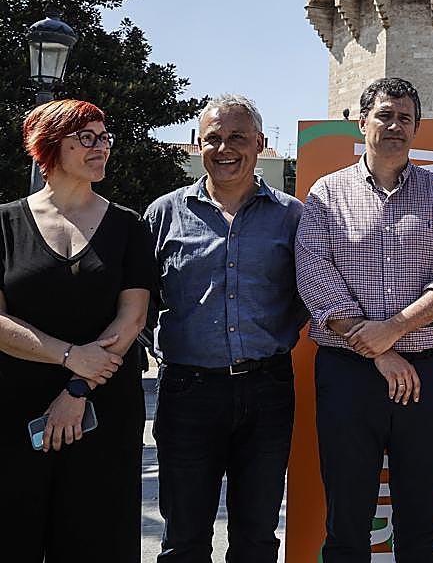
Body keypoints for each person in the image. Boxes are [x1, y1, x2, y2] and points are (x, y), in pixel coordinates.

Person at [296, 76, 433, 563]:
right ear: (362, 122)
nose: (394, 126)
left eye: (405, 118)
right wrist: (381, 353)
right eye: (384, 115)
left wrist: (392, 332)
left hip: (426, 376)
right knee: (347, 521)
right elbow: (316, 280)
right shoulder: (326, 195)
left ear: (416, 129)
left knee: (421, 523)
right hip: (348, 377)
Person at [144, 94, 305, 562]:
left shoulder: (291, 216)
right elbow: (138, 296)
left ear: (259, 142)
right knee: (184, 538)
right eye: (213, 138)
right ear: (198, 144)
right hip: (187, 390)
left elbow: (308, 292)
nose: (224, 148)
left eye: (236, 136)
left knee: (257, 538)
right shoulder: (164, 214)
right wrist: (159, 345)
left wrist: (278, 338)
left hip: (268, 389)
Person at [0, 99, 154, 562]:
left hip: (104, 405)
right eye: (86, 138)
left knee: (97, 538)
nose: (100, 147)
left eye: (104, 137)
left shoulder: (129, 226)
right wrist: (69, 355)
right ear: (49, 147)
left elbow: (133, 318)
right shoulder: (4, 223)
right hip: (14, 408)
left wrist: (77, 386)